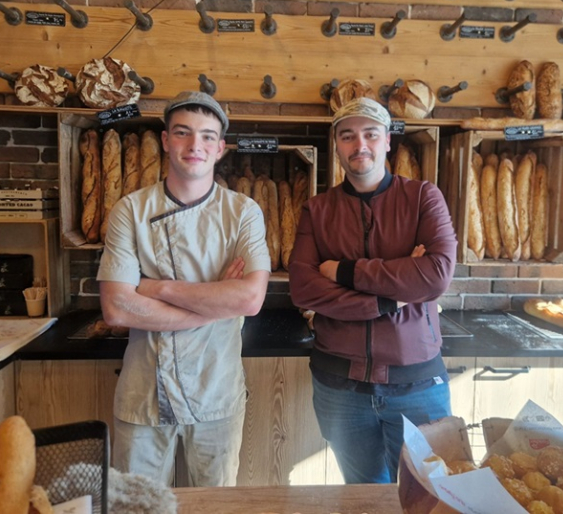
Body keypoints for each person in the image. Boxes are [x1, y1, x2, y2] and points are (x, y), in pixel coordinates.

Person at [98, 91, 271, 486]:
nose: (196, 146)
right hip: (143, 396)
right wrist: (215, 300)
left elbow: (249, 298)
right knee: (136, 510)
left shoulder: (243, 212)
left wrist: (155, 288)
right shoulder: (130, 210)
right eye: (183, 133)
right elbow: (117, 310)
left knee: (214, 511)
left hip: (216, 393)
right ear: (165, 140)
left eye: (208, 136)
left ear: (221, 148)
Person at [289, 97, 457, 484]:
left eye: (369, 134)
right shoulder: (317, 210)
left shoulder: (423, 198)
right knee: (362, 497)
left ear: (387, 143)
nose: (358, 145)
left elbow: (435, 277)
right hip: (340, 387)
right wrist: (390, 297)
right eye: (347, 136)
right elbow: (304, 289)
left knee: (430, 497)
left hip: (416, 384)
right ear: (337, 146)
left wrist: (343, 271)